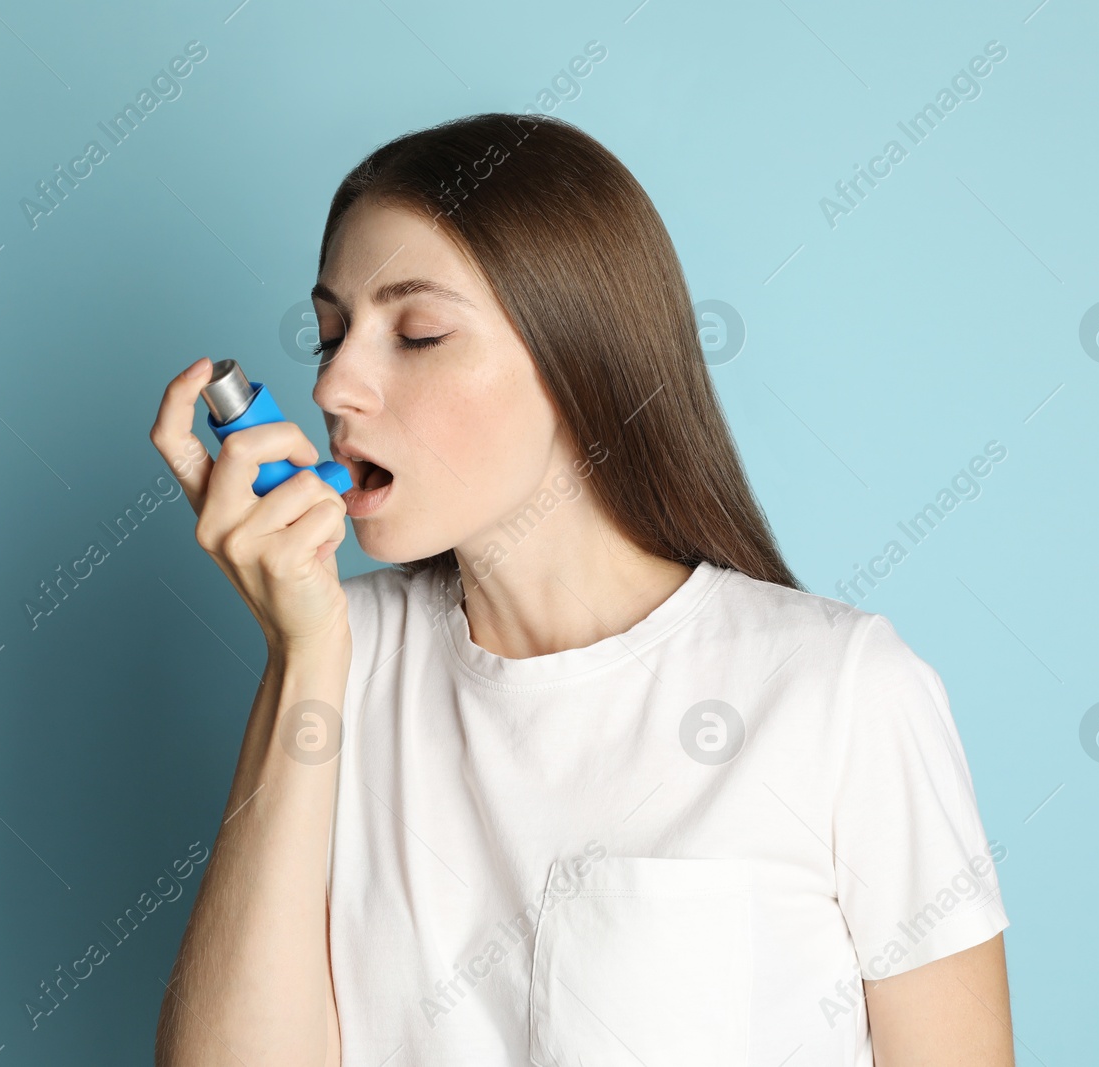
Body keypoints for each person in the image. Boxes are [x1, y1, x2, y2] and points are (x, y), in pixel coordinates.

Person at [151, 112, 1013, 1067]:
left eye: (420, 332)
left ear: (579, 358)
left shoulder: (841, 691)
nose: (336, 386)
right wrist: (301, 655)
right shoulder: (337, 663)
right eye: (331, 335)